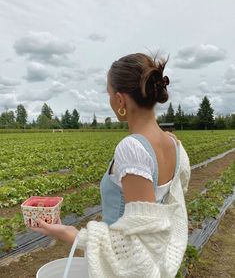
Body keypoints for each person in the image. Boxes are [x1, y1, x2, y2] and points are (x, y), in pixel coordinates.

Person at [30, 52, 191, 278]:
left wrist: (70, 233)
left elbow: (136, 249)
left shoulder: (132, 148)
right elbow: (159, 217)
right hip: (159, 260)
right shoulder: (174, 145)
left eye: (108, 94)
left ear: (120, 100)